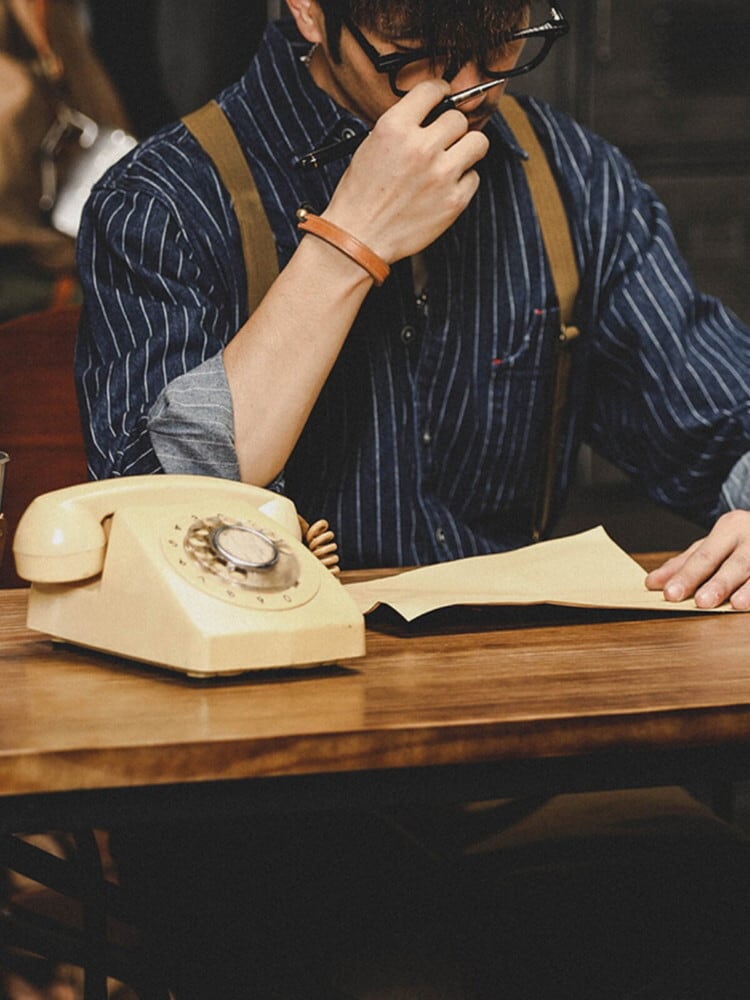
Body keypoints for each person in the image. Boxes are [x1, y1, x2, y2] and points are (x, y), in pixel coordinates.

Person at [74, 2, 750, 997]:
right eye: (417, 59)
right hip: (253, 784)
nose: (467, 91)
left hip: (516, 755)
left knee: (707, 903)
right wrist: (347, 242)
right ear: (311, 11)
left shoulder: (573, 179)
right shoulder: (167, 199)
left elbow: (725, 422)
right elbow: (151, 509)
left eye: (499, 48)